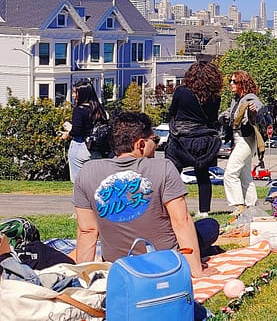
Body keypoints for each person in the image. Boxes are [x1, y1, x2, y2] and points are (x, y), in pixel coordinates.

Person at [72, 112, 219, 278]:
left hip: (118, 264)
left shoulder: (87, 172)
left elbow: (87, 230)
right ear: (140, 144)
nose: (156, 145)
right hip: (164, 261)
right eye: (154, 140)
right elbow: (181, 222)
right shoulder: (163, 167)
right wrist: (196, 271)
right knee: (209, 226)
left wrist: (82, 277)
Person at [164, 62, 223, 218]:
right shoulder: (215, 97)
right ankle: (203, 211)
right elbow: (212, 119)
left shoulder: (181, 92)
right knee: (203, 176)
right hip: (202, 140)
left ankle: (172, 209)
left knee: (172, 175)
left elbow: (172, 112)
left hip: (180, 139)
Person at [220, 70, 264, 216]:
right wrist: (224, 116)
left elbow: (258, 103)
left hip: (246, 139)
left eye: (235, 81)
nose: (231, 84)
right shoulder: (236, 99)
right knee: (245, 175)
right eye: (230, 81)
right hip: (239, 139)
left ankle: (238, 205)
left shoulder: (249, 97)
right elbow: (232, 113)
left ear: (242, 84)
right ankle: (252, 206)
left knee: (230, 173)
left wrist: (255, 108)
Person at [62, 79, 108, 183]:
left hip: (80, 146)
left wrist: (68, 133)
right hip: (97, 149)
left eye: (75, 92)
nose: (73, 95)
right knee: (97, 182)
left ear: (82, 94)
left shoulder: (79, 110)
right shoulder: (99, 109)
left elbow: (77, 131)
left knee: (79, 183)